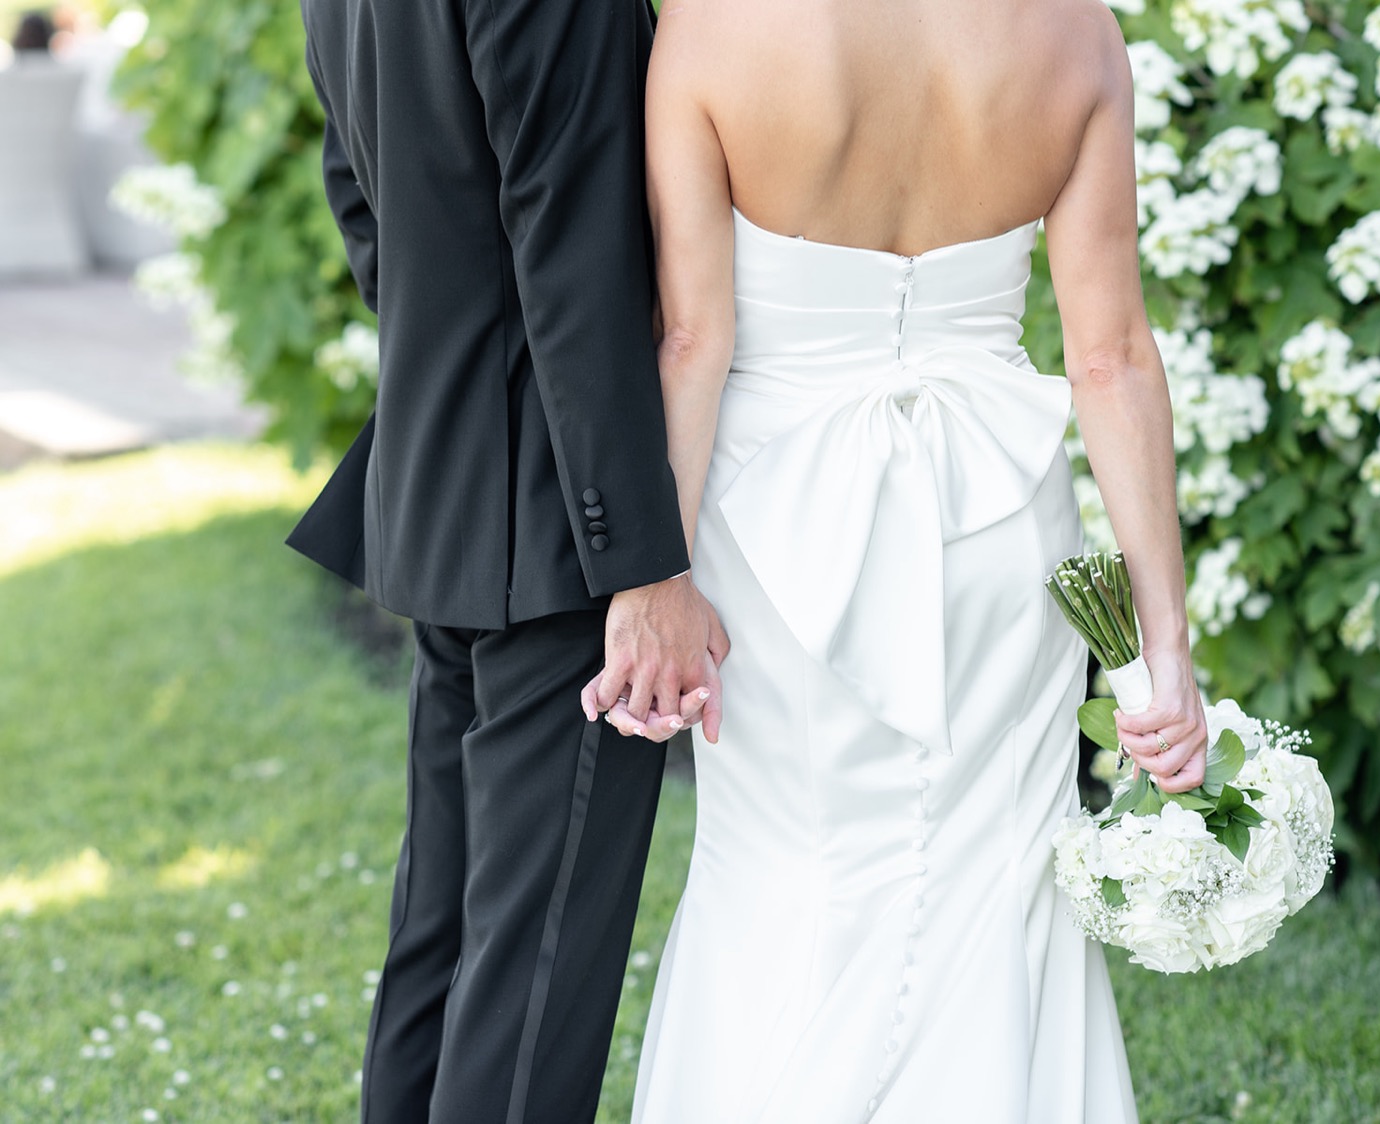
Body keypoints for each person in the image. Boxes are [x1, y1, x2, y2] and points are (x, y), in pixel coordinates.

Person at [608, 0, 1211, 1119]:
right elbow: (1113, 353)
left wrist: (656, 577)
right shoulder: (1077, 30)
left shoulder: (715, 24)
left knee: (786, 882)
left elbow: (691, 338)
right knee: (998, 883)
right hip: (1000, 516)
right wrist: (1162, 644)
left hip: (782, 526)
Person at [288, 0, 728, 1120]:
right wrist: (644, 565)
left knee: (442, 935)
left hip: (443, 488)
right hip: (561, 534)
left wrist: (456, 398)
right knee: (534, 979)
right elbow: (575, 248)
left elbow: (363, 195)